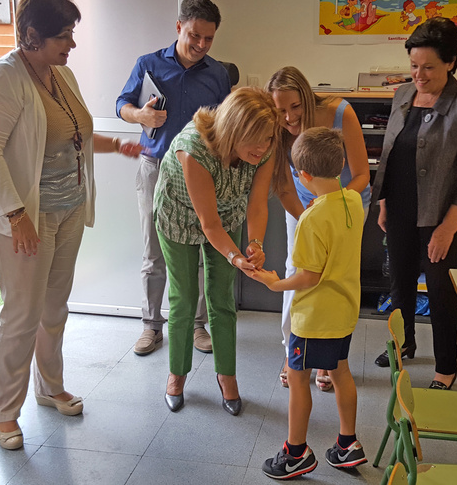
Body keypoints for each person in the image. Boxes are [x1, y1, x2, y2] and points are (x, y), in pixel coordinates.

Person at [0, 0, 142, 450]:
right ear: (33, 36)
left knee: (54, 308)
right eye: (64, 34)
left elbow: (75, 132)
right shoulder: (3, 79)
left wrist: (114, 147)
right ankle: (6, 414)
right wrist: (15, 215)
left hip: (68, 210)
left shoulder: (61, 74)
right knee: (21, 316)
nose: (72, 43)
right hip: (24, 219)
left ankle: (50, 388)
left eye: (72, 33)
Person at [372, 17, 457, 390]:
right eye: (413, 66)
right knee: (399, 280)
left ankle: (446, 366)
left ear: (451, 62)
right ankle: (404, 342)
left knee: (439, 290)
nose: (419, 76)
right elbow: (393, 154)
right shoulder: (403, 95)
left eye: (428, 68)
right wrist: (385, 203)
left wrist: (446, 229)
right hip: (401, 208)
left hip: (443, 216)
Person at [252, 127, 368, 480]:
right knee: (340, 371)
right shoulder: (352, 201)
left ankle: (296, 452)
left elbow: (308, 276)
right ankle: (348, 444)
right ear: (342, 164)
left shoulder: (311, 219)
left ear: (303, 176)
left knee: (298, 378)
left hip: (313, 317)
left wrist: (275, 283)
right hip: (344, 310)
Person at [116, 0, 230, 356]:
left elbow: (227, 124)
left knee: (197, 251)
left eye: (209, 39)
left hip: (199, 174)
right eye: (195, 35)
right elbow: (121, 104)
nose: (201, 45)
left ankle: (198, 326)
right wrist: (140, 117)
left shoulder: (218, 73)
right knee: (154, 252)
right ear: (179, 27)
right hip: (154, 168)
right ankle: (152, 326)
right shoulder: (147, 64)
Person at [156, 87, 277, 416]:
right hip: (179, 215)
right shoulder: (194, 149)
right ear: (235, 130)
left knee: (221, 298)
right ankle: (177, 375)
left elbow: (257, 202)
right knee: (184, 297)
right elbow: (209, 225)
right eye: (257, 140)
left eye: (268, 139)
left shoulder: (265, 147)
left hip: (228, 213)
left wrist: (255, 244)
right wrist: (235, 256)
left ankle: (227, 376)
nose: (264, 148)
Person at [266, 66, 370, 392]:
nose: (289, 117)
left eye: (295, 107)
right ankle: (292, 351)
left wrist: (330, 207)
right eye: (281, 110)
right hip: (302, 206)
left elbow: (363, 174)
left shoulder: (340, 112)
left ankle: (328, 359)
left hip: (346, 201)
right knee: (297, 269)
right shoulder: (276, 126)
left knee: (331, 275)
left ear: (308, 98)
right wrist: (308, 217)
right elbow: (283, 185)